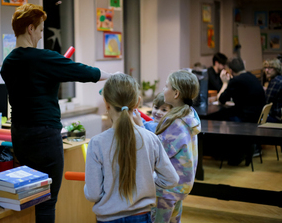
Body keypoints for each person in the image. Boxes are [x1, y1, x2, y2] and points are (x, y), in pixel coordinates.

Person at [0, 3, 112, 223]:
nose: (41, 36)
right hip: (45, 137)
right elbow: (81, 71)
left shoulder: (8, 63)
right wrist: (112, 74)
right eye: (40, 30)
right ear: (30, 28)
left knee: (30, 196)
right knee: (47, 201)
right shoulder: (41, 58)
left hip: (20, 136)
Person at [84, 73, 179, 223]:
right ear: (137, 103)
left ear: (106, 104)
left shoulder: (96, 143)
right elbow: (171, 179)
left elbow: (93, 194)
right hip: (142, 217)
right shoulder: (150, 138)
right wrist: (147, 181)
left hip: (107, 219)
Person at [151, 70, 201, 223]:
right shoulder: (189, 114)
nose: (163, 89)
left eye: (166, 86)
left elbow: (158, 154)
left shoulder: (175, 123)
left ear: (176, 93)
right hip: (181, 185)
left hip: (167, 188)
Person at [217, 58, 266, 123]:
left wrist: (225, 83)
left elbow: (221, 100)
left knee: (220, 116)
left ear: (231, 71)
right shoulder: (252, 76)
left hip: (246, 119)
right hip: (257, 116)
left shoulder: (236, 80)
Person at [263, 59, 282, 123]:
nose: (266, 70)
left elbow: (266, 102)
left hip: (275, 117)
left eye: (270, 68)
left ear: (277, 69)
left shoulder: (275, 81)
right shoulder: (281, 78)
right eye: (266, 68)